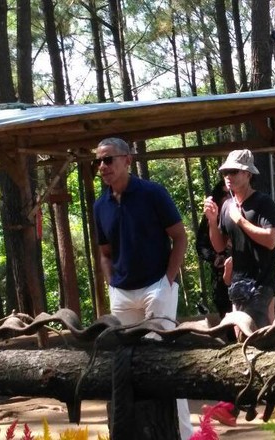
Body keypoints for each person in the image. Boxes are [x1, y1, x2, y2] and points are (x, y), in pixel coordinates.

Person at [92, 137, 192, 440]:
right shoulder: (100, 205)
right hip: (122, 294)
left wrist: (167, 281)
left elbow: (180, 237)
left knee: (165, 363)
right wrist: (111, 285)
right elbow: (105, 252)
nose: (102, 167)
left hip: (156, 288)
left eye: (108, 159)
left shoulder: (153, 193)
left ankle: (183, 435)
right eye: (98, 161)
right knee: (127, 365)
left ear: (127, 160)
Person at [203, 149, 275, 329]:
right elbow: (220, 246)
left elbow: (270, 240)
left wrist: (241, 221)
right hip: (238, 282)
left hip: (262, 282)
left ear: (247, 174)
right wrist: (212, 222)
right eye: (225, 172)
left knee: (258, 334)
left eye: (233, 171)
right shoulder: (227, 206)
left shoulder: (263, 202)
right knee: (240, 333)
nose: (228, 176)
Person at [195, 181, 235, 341]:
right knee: (227, 315)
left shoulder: (245, 210)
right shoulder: (211, 218)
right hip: (221, 277)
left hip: (246, 274)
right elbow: (201, 244)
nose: (227, 197)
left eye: (230, 194)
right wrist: (214, 257)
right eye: (224, 194)